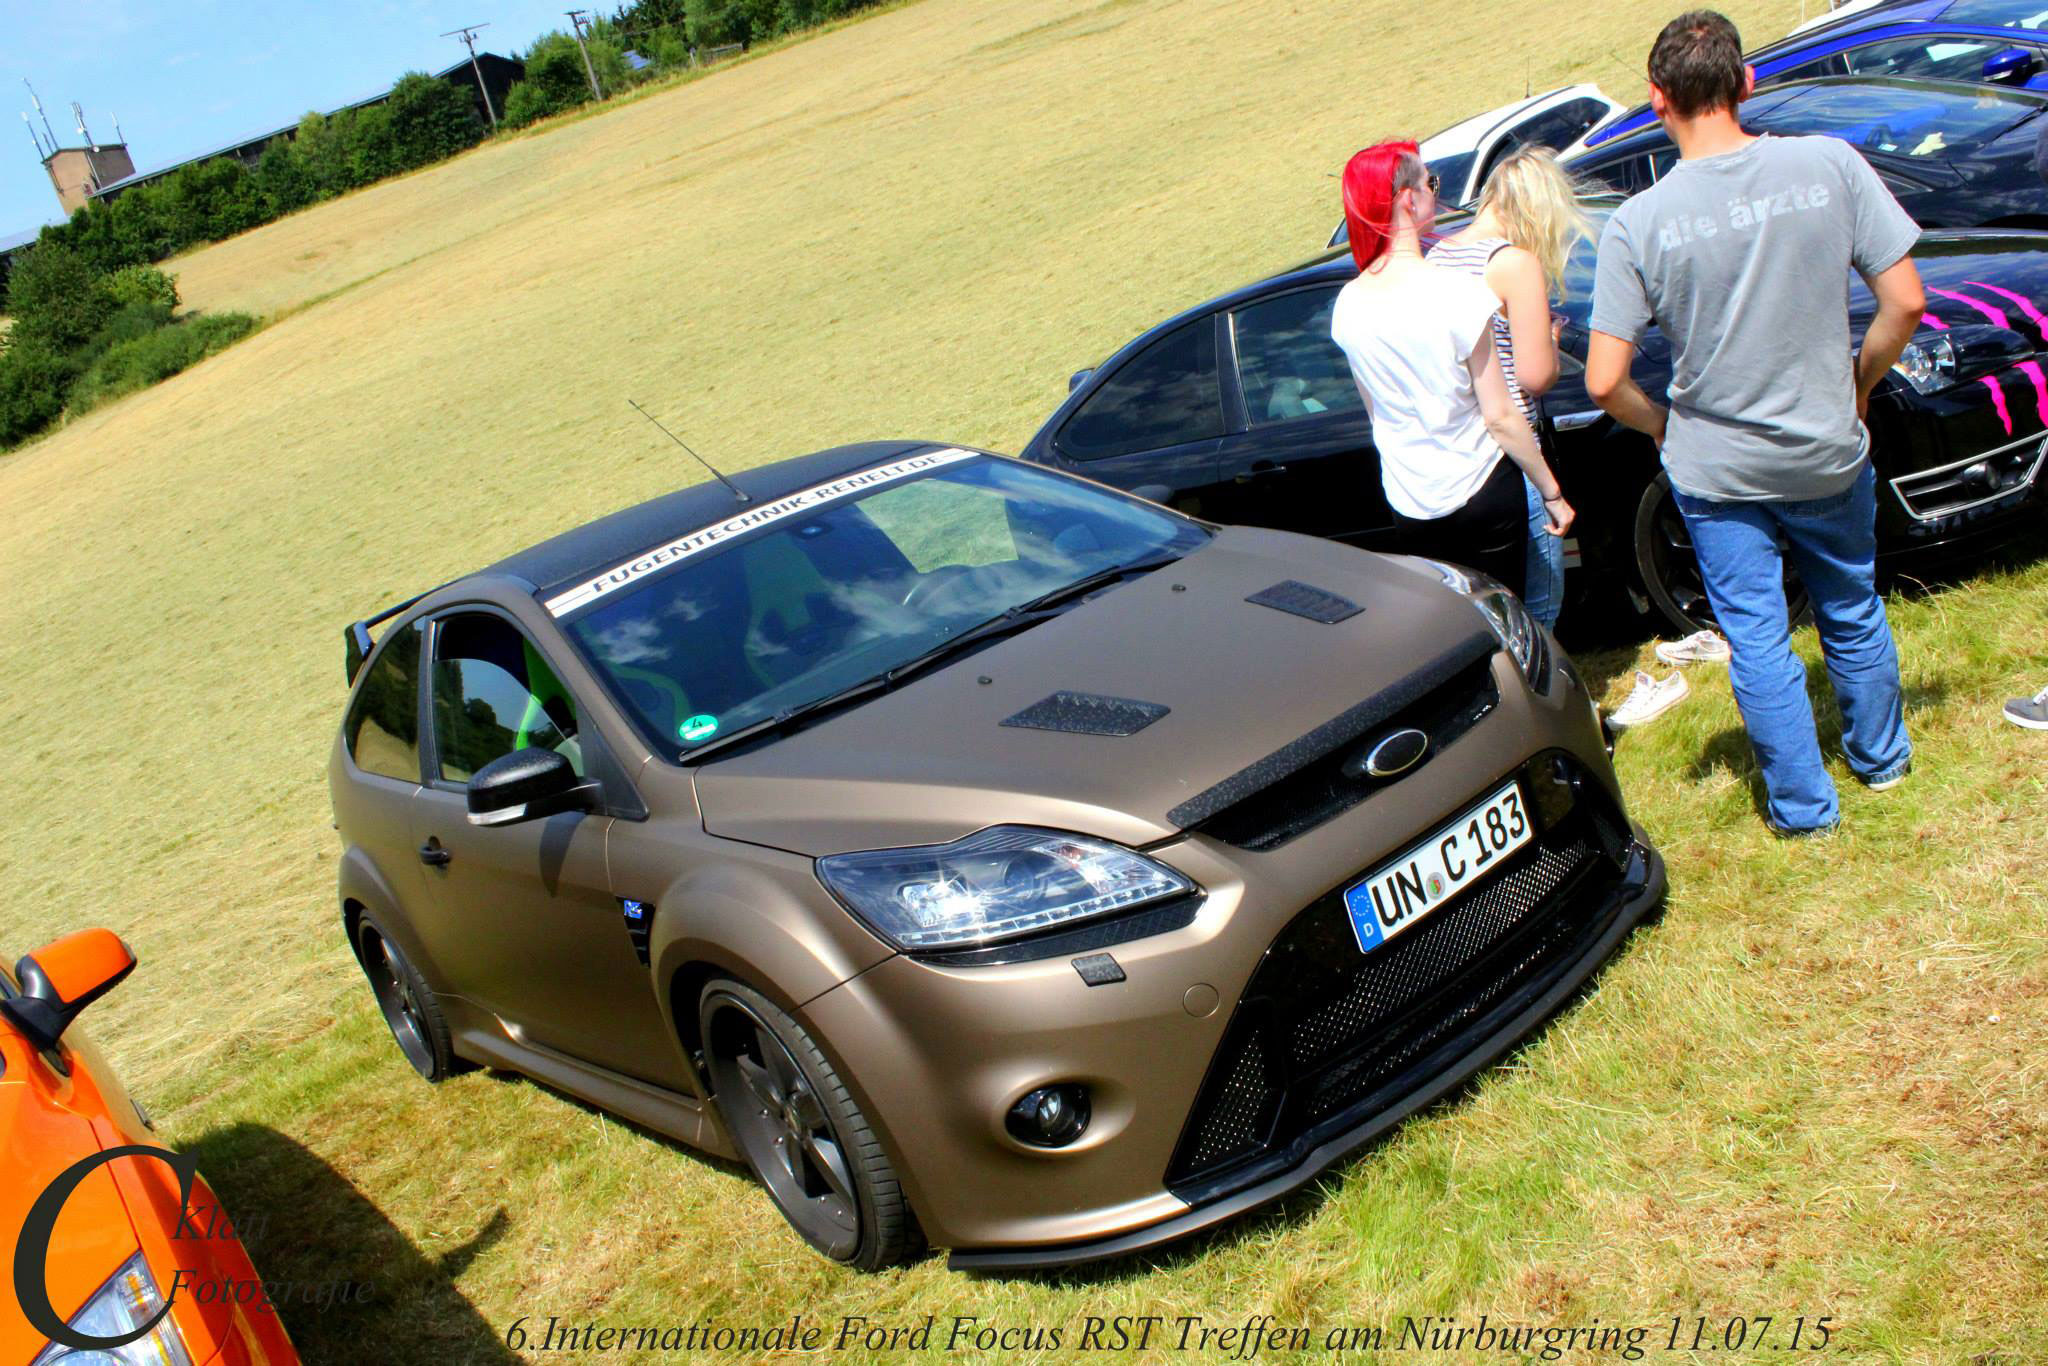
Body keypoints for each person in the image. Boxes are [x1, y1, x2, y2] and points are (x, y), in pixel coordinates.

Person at [1585, 9, 1926, 836]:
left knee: (1759, 638)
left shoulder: (1637, 224)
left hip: (1717, 471)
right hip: (1826, 448)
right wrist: (1858, 383)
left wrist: (1662, 426)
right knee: (1850, 605)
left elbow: (1603, 381)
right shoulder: (1829, 164)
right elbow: (1906, 301)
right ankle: (1881, 762)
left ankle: (1805, 811)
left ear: (1657, 99)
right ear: (1746, 82)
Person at [1331, 140, 1573, 596]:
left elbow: (1380, 416)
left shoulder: (1347, 305)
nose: (1435, 193)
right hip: (1482, 486)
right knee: (1514, 623)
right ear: (1408, 199)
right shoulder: (1456, 292)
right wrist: (1551, 491)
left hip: (1409, 499)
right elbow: (1500, 415)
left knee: (1460, 626)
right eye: (1430, 182)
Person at [1427, 146, 1590, 630]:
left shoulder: (1440, 254)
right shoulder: (1512, 263)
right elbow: (1534, 377)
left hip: (1460, 454)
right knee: (1538, 608)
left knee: (1487, 610)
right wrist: (1551, 341)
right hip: (1513, 454)